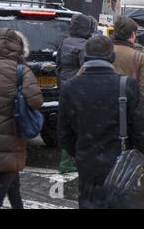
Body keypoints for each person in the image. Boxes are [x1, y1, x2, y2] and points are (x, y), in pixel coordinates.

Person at [57, 35, 144, 209]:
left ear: (85, 58)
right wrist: (135, 154)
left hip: (87, 165)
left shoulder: (71, 87)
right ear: (112, 57)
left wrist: (81, 151)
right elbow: (141, 133)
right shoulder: (126, 85)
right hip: (121, 164)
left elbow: (64, 135)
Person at [0, 28, 43, 209]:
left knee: (11, 180)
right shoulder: (20, 71)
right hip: (11, 135)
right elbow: (36, 101)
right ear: (17, 47)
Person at [110, 17, 144, 156]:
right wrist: (135, 101)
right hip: (129, 117)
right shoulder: (138, 57)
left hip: (100, 116)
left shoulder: (101, 53)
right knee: (132, 159)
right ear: (132, 34)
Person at [56, 13, 95, 174]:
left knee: (68, 126)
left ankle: (65, 162)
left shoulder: (64, 43)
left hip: (64, 87)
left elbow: (58, 65)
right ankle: (73, 161)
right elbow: (86, 69)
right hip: (79, 90)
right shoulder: (85, 46)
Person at [111, 17, 144, 107]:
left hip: (100, 111)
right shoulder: (139, 58)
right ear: (133, 34)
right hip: (126, 112)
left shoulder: (102, 51)